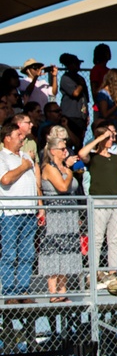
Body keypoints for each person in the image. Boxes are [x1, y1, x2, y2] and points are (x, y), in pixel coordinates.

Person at [79, 124, 117, 281]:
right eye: (108, 137)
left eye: (112, 137)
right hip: (99, 200)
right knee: (97, 238)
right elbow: (82, 154)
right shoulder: (93, 158)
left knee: (115, 238)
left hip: (116, 201)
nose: (111, 140)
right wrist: (100, 138)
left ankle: (112, 271)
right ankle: (93, 271)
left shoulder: (116, 158)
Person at [0, 119, 43, 302]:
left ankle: (23, 290)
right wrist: (24, 166)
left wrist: (40, 205)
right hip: (11, 212)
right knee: (10, 253)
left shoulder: (26, 157)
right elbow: (5, 180)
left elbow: (35, 182)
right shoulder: (2, 157)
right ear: (7, 138)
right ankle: (10, 292)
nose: (22, 139)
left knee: (28, 253)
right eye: (18, 135)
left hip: (29, 211)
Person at [39, 136, 84, 302]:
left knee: (67, 248)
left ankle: (62, 290)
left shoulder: (64, 167)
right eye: (63, 149)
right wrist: (70, 171)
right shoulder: (49, 168)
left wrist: (67, 169)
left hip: (69, 213)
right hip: (55, 212)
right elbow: (63, 186)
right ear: (53, 151)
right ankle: (53, 292)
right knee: (54, 249)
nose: (66, 151)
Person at [58, 52, 90, 140]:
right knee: (68, 139)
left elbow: (85, 99)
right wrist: (80, 85)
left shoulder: (81, 78)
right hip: (70, 115)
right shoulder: (66, 78)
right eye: (76, 63)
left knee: (79, 141)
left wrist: (87, 115)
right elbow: (75, 93)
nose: (79, 65)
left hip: (81, 115)